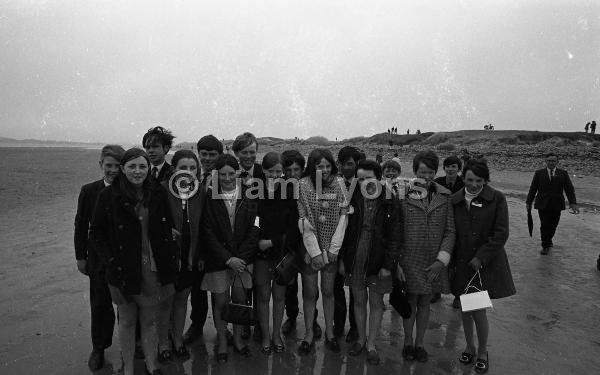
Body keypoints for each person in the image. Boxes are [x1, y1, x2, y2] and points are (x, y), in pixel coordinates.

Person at [90, 148, 177, 375]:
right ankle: (127, 368)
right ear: (123, 169)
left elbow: (166, 227)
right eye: (132, 166)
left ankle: (151, 364)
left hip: (153, 267)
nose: (137, 171)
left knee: (149, 320)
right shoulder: (108, 196)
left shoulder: (157, 192)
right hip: (122, 268)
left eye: (142, 166)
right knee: (127, 321)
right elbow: (96, 233)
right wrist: (109, 261)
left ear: (149, 169)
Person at [451, 158, 516, 374]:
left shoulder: (497, 198)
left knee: (478, 310)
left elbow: (501, 233)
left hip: (482, 265)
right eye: (470, 179)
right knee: (464, 309)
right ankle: (469, 346)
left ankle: (482, 351)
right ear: (463, 178)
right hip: (460, 263)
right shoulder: (455, 200)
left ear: (485, 180)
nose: (474, 184)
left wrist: (481, 257)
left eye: (479, 180)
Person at [339, 160, 401, 365]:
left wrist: (388, 265)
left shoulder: (390, 198)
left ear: (379, 176)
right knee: (358, 300)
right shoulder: (352, 196)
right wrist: (342, 260)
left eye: (369, 178)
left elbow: (395, 236)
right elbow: (344, 230)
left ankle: (372, 344)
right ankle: (360, 339)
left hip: (379, 257)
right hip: (355, 256)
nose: (365, 182)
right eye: (361, 178)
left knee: (376, 302)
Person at [200, 154, 259, 363]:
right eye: (222, 174)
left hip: (243, 261)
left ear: (237, 173)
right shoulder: (209, 196)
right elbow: (206, 231)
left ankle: (239, 340)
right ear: (216, 174)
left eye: (231, 173)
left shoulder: (250, 194)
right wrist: (228, 259)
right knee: (221, 302)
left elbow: (255, 227)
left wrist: (240, 258)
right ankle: (223, 342)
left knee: (241, 301)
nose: (227, 178)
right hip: (219, 260)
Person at [399, 150, 455, 363]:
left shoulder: (445, 195)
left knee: (425, 302)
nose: (427, 177)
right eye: (422, 172)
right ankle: (407, 342)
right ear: (415, 171)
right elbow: (396, 231)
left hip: (434, 261)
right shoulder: (402, 195)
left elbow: (450, 231)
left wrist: (442, 260)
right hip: (409, 259)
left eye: (431, 172)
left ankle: (420, 343)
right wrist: (397, 262)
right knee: (410, 301)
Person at [74, 145, 124, 371]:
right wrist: (80, 257)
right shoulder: (89, 191)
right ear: (101, 165)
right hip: (97, 259)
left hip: (126, 259)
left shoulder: (131, 189)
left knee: (128, 304)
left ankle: (133, 343)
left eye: (117, 166)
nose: (113, 170)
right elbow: (81, 225)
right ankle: (99, 348)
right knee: (100, 305)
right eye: (109, 165)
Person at [297, 148, 351, 355]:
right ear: (312, 166)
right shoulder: (303, 185)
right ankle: (309, 333)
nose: (325, 169)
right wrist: (314, 252)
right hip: (310, 249)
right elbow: (303, 218)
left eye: (328, 165)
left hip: (332, 249)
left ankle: (329, 332)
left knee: (328, 292)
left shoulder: (339, 184)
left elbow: (344, 217)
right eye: (320, 166)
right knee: (310, 292)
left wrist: (333, 250)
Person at [156, 150, 206, 362]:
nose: (188, 172)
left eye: (192, 168)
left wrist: (201, 255)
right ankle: (163, 343)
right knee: (166, 300)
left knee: (182, 299)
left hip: (191, 253)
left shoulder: (201, 192)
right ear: (174, 169)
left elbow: (205, 226)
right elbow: (152, 224)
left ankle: (177, 339)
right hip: (168, 254)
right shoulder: (161, 190)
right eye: (183, 167)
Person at [254, 152, 301, 354]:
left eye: (279, 171)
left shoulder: (290, 191)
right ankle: (265, 335)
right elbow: (251, 221)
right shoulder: (255, 191)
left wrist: (272, 242)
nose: (275, 175)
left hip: (282, 252)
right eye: (271, 171)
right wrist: (258, 242)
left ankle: (276, 335)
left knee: (279, 296)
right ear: (263, 170)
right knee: (263, 296)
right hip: (260, 253)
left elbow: (294, 226)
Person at [182, 135, 223, 345]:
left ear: (220, 155)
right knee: (197, 290)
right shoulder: (192, 178)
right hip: (196, 244)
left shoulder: (226, 177)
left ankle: (221, 328)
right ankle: (196, 325)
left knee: (218, 291)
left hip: (218, 245)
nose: (207, 158)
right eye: (204, 154)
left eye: (212, 154)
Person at [280, 150, 322, 338]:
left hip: (308, 242)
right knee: (289, 285)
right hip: (288, 243)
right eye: (288, 170)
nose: (292, 174)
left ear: (303, 169)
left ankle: (312, 320)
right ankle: (291, 316)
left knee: (311, 285)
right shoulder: (279, 186)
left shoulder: (311, 186)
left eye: (296, 169)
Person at [333, 146, 365, 342]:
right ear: (340, 164)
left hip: (355, 244)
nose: (351, 168)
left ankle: (354, 327)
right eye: (348, 164)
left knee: (355, 289)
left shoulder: (365, 186)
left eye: (354, 164)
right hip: (336, 244)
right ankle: (338, 325)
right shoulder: (332, 185)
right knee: (336, 288)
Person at [526, 153, 579, 255]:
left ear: (557, 162)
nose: (551, 162)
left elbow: (569, 189)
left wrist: (573, 203)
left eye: (553, 161)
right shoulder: (539, 173)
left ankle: (548, 239)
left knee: (553, 225)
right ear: (546, 162)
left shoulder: (563, 173)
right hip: (543, 204)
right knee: (545, 225)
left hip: (557, 204)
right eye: (549, 161)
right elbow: (533, 189)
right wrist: (528, 202)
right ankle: (545, 245)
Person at [431, 155, 465, 305]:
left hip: (460, 225)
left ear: (459, 169)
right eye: (448, 166)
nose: (450, 169)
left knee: (458, 262)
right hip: (441, 224)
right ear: (443, 168)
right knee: (438, 257)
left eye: (454, 167)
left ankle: (458, 295)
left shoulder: (464, 183)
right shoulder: (436, 183)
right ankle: (436, 291)